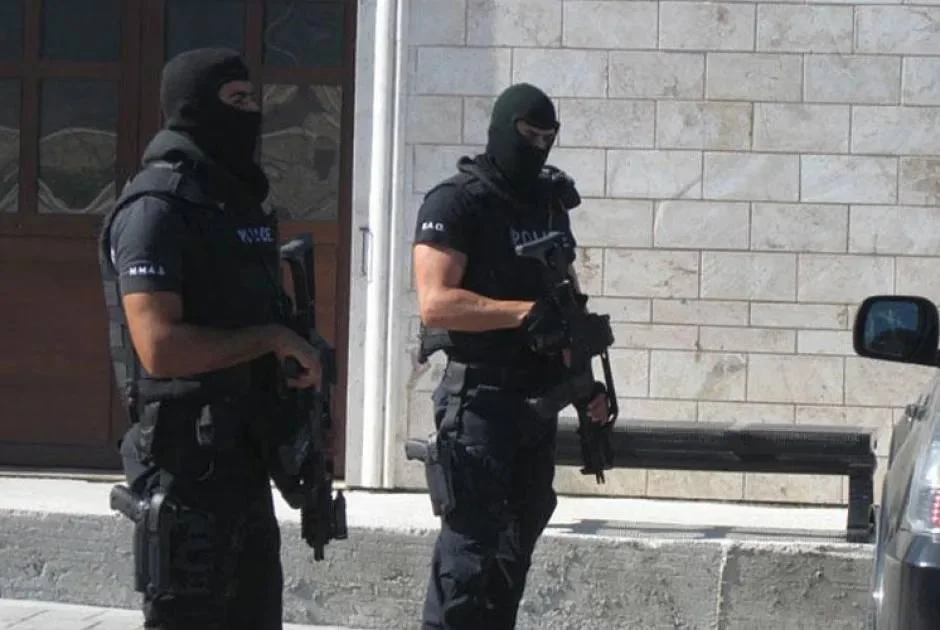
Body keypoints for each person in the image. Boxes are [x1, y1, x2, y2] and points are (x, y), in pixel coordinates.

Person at [97, 48, 322, 630]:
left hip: (243, 459)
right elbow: (159, 348)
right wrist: (270, 338)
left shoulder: (236, 203)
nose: (252, 113)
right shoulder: (156, 207)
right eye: (236, 100)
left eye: (252, 99)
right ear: (195, 107)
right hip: (185, 471)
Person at [412, 82, 611, 629]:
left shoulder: (548, 202)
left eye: (548, 138)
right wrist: (522, 313)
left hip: (535, 402)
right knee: (467, 562)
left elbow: (565, 300)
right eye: (528, 135)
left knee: (512, 554)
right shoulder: (456, 201)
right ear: (503, 129)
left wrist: (585, 386)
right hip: (479, 400)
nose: (538, 147)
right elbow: (435, 303)